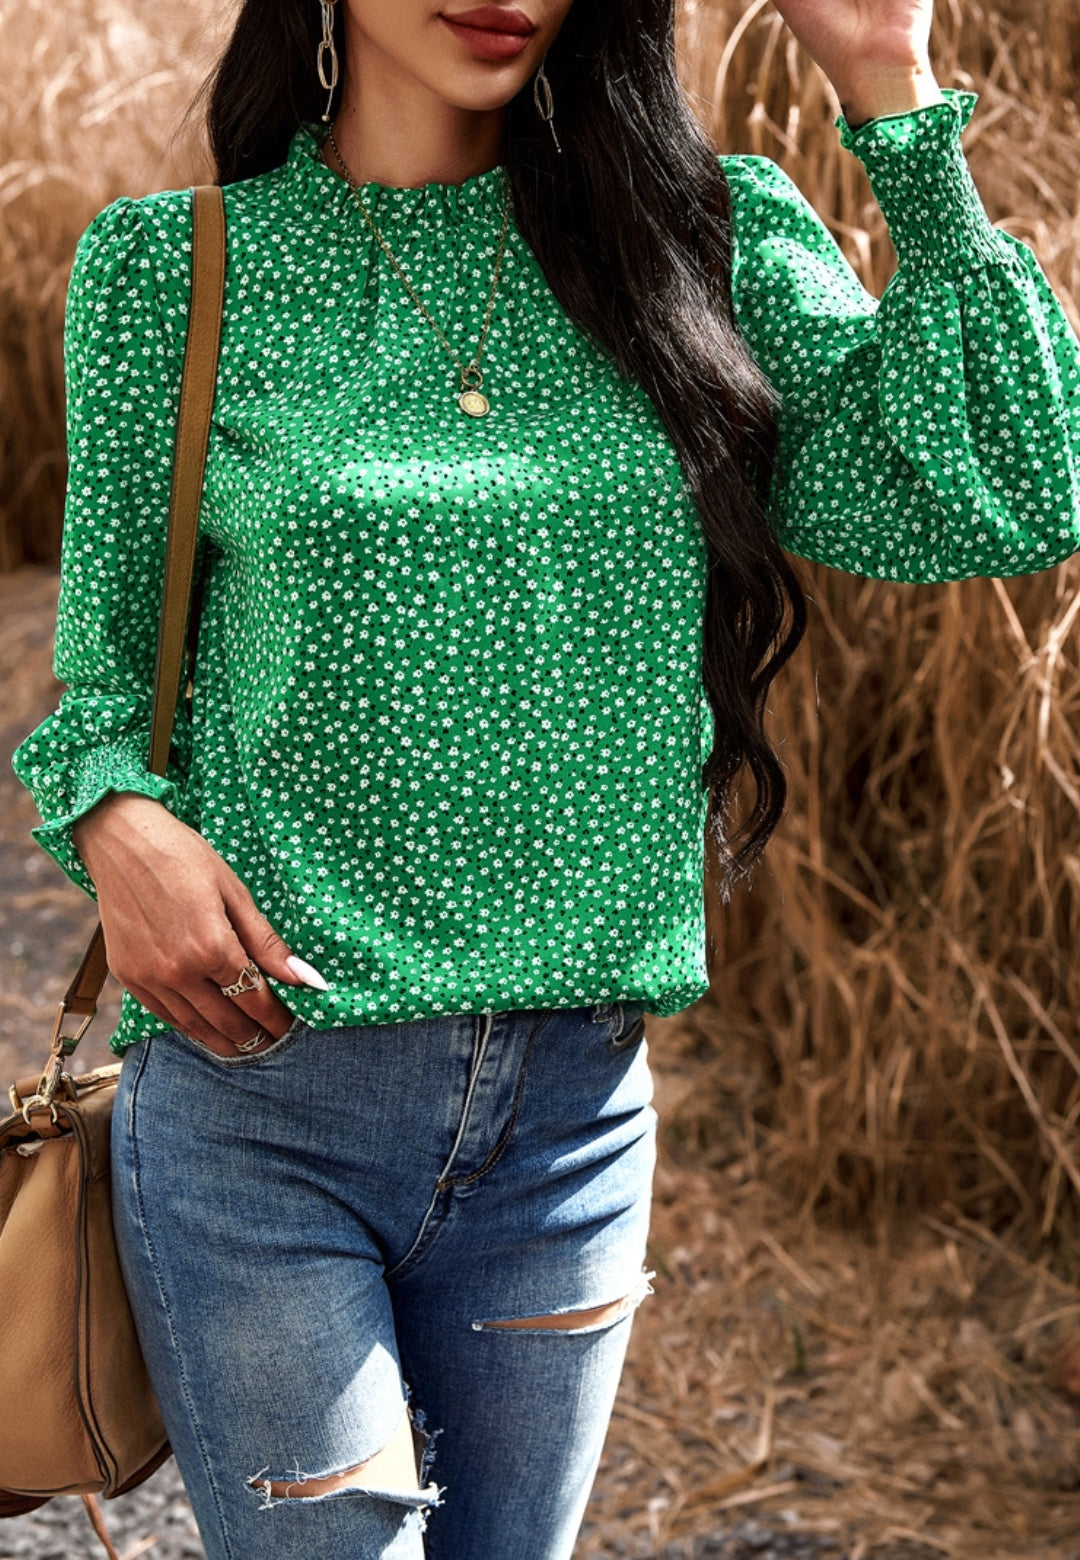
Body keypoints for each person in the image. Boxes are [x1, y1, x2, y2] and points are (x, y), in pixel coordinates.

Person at [11, 0, 1080, 1554]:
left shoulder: (697, 245)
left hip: (569, 1136)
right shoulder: (174, 270)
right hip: (263, 1113)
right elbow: (99, 685)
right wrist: (115, 820)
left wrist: (886, 83)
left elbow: (1006, 492)